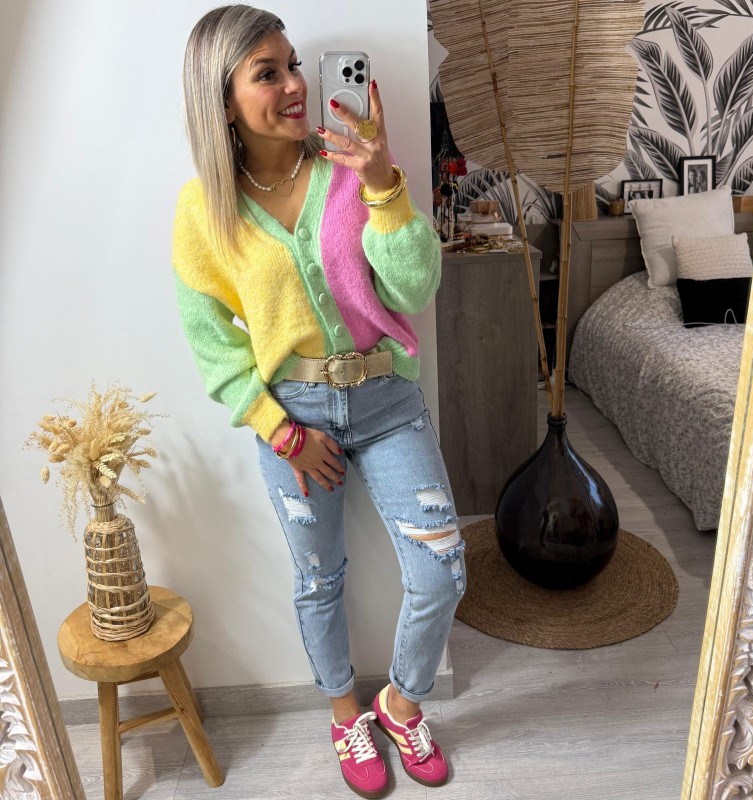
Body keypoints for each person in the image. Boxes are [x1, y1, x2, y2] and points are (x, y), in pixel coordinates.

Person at [173, 5, 463, 797]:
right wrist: (278, 430)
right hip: (293, 419)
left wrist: (384, 184)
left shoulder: (349, 167)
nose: (296, 85)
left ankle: (401, 703)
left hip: (388, 401)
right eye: (267, 73)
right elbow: (212, 343)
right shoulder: (203, 212)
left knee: (441, 571)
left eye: (294, 64)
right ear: (222, 100)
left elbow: (415, 288)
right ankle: (344, 714)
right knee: (318, 580)